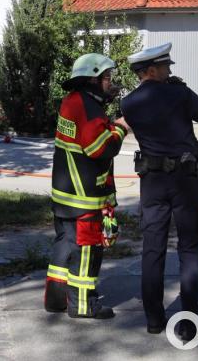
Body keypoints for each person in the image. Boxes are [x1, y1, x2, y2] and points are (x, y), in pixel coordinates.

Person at [119, 42, 198, 341]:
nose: (169, 71)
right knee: (189, 248)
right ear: (151, 69)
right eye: (165, 67)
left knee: (153, 248)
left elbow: (124, 127)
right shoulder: (181, 93)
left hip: (152, 182)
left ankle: (153, 319)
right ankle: (189, 323)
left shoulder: (129, 103)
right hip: (186, 181)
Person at [44, 53, 128, 319]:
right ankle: (83, 304)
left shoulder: (73, 100)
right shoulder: (89, 108)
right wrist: (121, 128)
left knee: (65, 245)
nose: (110, 83)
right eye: (106, 78)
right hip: (85, 195)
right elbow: (100, 148)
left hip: (66, 192)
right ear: (92, 79)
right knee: (87, 249)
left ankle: (56, 299)